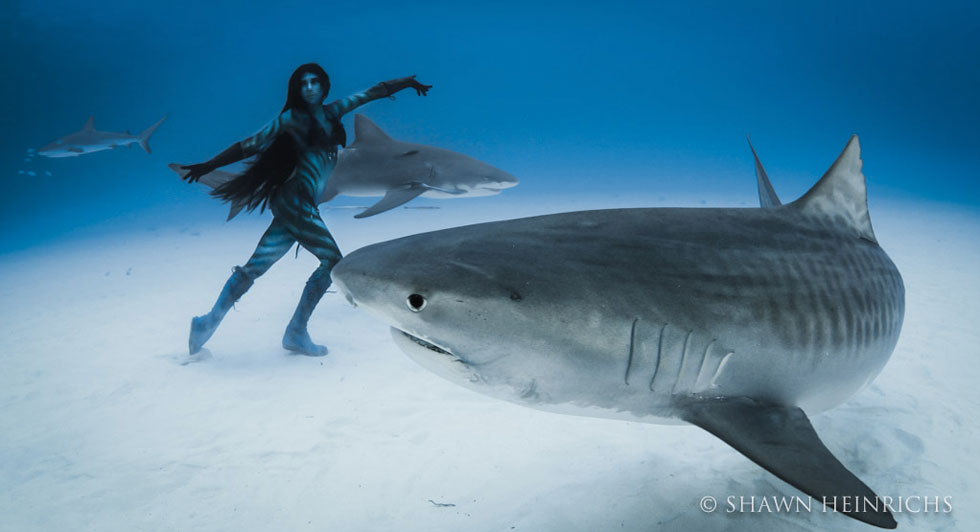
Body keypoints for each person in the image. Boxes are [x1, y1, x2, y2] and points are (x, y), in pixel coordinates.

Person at [179, 63, 431, 356]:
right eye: (303, 83)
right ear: (296, 89)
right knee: (332, 261)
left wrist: (407, 82)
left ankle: (206, 324)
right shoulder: (290, 119)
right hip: (295, 200)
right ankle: (296, 332)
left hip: (299, 203)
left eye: (315, 82)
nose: (310, 88)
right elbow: (249, 145)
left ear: (324, 85)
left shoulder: (333, 112)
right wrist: (208, 165)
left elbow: (373, 92)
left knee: (255, 268)